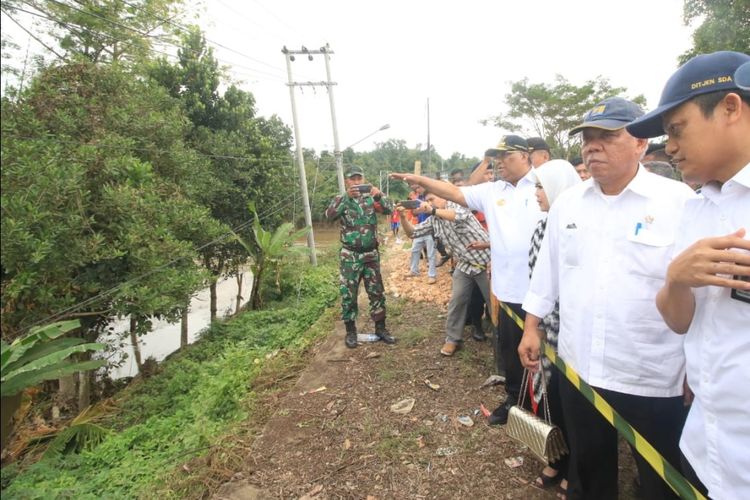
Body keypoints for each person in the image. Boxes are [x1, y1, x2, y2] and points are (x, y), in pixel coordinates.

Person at [518, 97, 697, 500]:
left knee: (660, 478)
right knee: (590, 470)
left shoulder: (680, 203)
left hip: (653, 374)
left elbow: (701, 294)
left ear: (640, 143)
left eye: (607, 136)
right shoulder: (568, 205)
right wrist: (531, 326)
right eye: (587, 139)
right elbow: (548, 274)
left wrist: (695, 365)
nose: (591, 147)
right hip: (581, 368)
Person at [626, 50, 750, 499]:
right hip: (705, 446)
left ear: (730, 108)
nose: (670, 147)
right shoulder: (695, 209)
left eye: (677, 130)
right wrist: (677, 279)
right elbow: (679, 320)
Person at [392, 134, 543, 425]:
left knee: (544, 357)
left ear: (525, 156)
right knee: (511, 349)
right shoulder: (491, 191)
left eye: (505, 156)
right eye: (495, 158)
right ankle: (515, 401)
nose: (499, 163)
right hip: (507, 289)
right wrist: (419, 179)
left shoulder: (542, 185)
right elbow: (454, 192)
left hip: (542, 290)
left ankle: (546, 410)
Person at [526, 160, 581, 495]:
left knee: (575, 404)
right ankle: (560, 457)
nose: (536, 194)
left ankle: (576, 466)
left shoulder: (574, 226)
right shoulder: (542, 226)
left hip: (571, 330)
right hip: (547, 329)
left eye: (540, 186)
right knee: (552, 397)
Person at [397, 189, 491, 356]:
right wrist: (403, 218)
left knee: (494, 304)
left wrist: (431, 209)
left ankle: (503, 339)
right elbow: (413, 233)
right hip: (464, 264)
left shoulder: (458, 205)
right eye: (428, 200)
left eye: (433, 198)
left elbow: (458, 216)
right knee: (456, 301)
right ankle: (453, 339)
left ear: (443, 196)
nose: (430, 202)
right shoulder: (434, 220)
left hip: (487, 263)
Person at [325, 166, 396, 348]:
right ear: (347, 181)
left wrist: (379, 194)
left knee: (376, 292)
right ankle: (350, 332)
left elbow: (390, 209)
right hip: (350, 256)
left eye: (359, 178)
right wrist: (346, 197)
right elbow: (329, 216)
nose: (356, 182)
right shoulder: (341, 199)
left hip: (371, 254)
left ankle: (381, 328)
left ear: (363, 179)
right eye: (353, 179)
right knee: (348, 294)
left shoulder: (371, 199)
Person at [405, 183, 438, 284]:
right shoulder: (418, 198)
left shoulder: (432, 197)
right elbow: (414, 212)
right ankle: (414, 270)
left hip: (431, 228)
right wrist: (421, 209)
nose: (417, 189)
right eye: (417, 188)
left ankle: (432, 275)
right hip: (421, 227)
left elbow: (433, 211)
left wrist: (425, 209)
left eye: (419, 187)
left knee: (431, 253)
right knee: (415, 250)